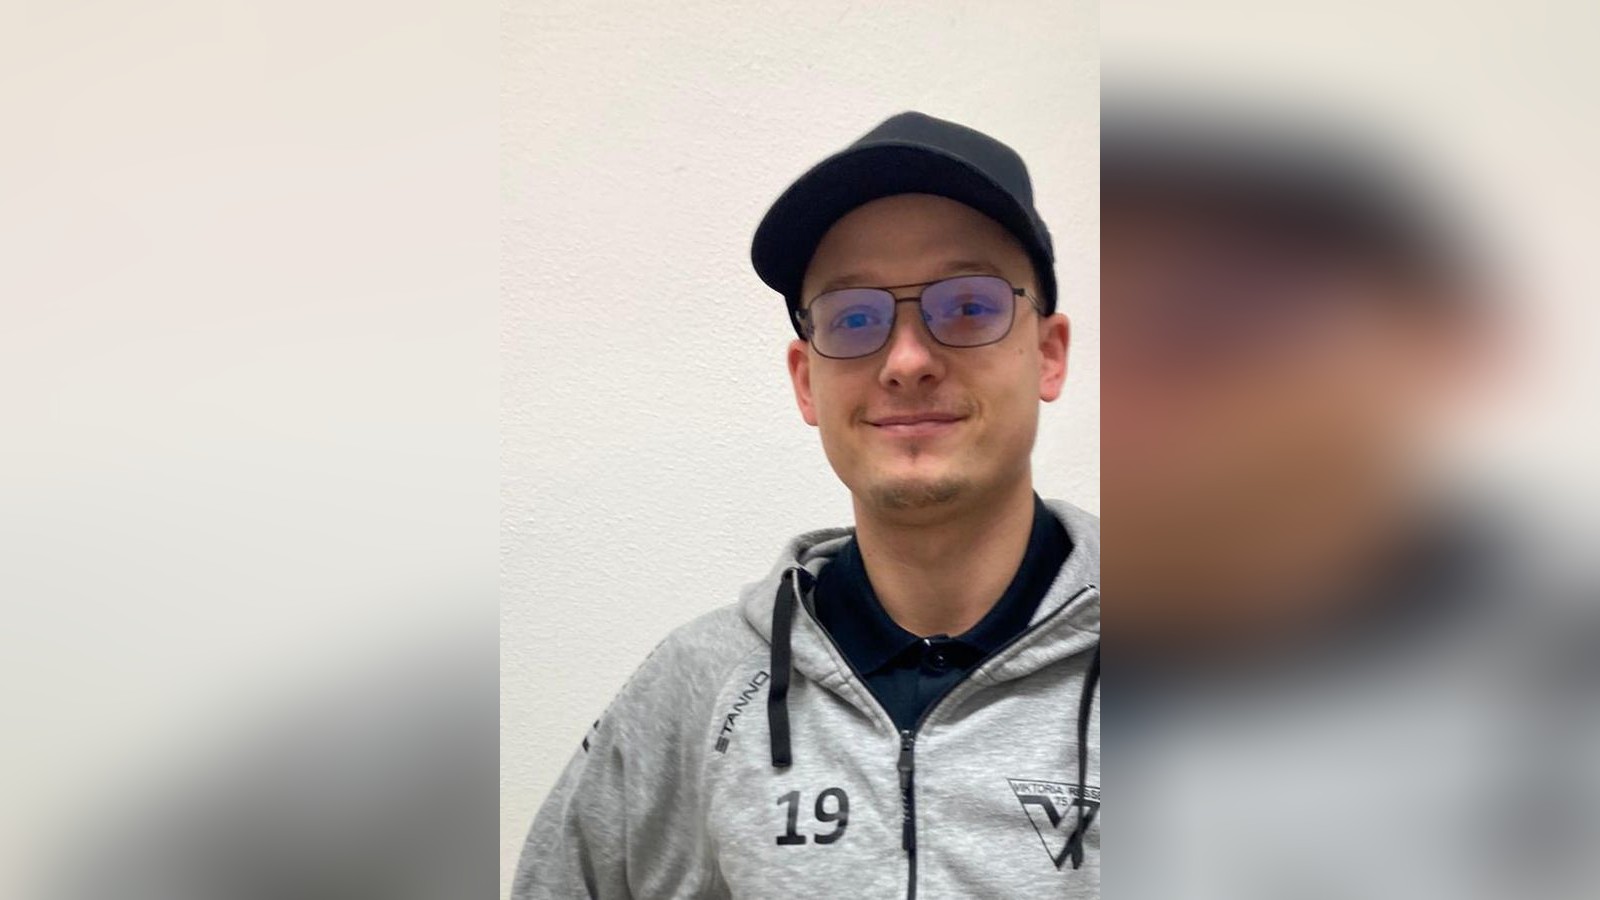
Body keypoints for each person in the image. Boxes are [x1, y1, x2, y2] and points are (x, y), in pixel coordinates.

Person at [511, 112, 1100, 899]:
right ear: (804, 381)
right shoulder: (698, 687)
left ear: (1049, 355)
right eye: (854, 318)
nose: (907, 360)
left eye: (967, 305)